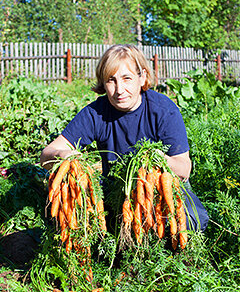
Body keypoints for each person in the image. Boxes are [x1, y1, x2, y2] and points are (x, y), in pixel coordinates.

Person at [40, 44, 208, 232]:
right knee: (86, 220)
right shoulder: (97, 113)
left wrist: (159, 160)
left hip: (162, 189)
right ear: (103, 84)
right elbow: (46, 155)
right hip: (117, 192)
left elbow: (184, 168)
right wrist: (66, 157)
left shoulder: (163, 110)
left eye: (127, 78)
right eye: (111, 80)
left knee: (194, 219)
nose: (119, 89)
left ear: (142, 76)